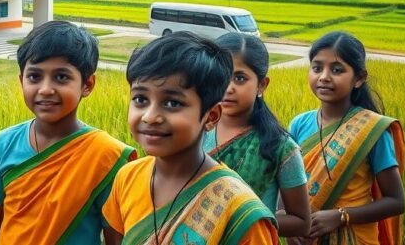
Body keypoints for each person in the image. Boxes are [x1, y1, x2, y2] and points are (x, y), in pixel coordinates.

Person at [103, 32, 279, 244]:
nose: (149, 116)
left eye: (172, 103)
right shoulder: (128, 177)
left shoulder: (239, 214)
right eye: (140, 99)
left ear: (211, 116)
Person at [0, 21, 137, 245]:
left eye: (61, 77)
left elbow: (115, 238)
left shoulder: (107, 156)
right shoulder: (4, 144)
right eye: (34, 77)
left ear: (87, 84)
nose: (45, 89)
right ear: (22, 81)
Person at [288, 31, 405, 245]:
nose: (324, 77)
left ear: (359, 78)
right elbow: (286, 184)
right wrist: (290, 224)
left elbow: (396, 201)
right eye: (317, 68)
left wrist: (341, 216)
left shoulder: (372, 131)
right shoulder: (299, 124)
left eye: (337, 70)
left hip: (355, 237)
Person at [203, 33, 310, 238]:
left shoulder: (281, 147)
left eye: (239, 78)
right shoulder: (194, 131)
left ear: (262, 85)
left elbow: (302, 222)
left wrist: (242, 221)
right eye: (220, 76)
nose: (228, 87)